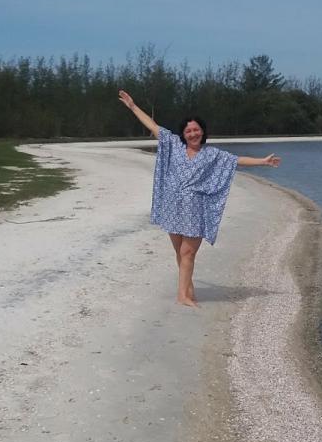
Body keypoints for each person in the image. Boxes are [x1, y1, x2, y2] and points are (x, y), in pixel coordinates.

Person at [118, 90, 281, 307]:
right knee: (180, 252)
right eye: (188, 130)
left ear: (202, 132)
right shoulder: (174, 144)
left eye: (196, 130)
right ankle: (187, 289)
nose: (193, 133)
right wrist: (132, 106)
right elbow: (153, 126)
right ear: (183, 134)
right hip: (172, 205)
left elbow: (236, 160)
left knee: (188, 251)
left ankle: (182, 296)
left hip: (195, 208)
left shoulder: (212, 154)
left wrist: (263, 161)